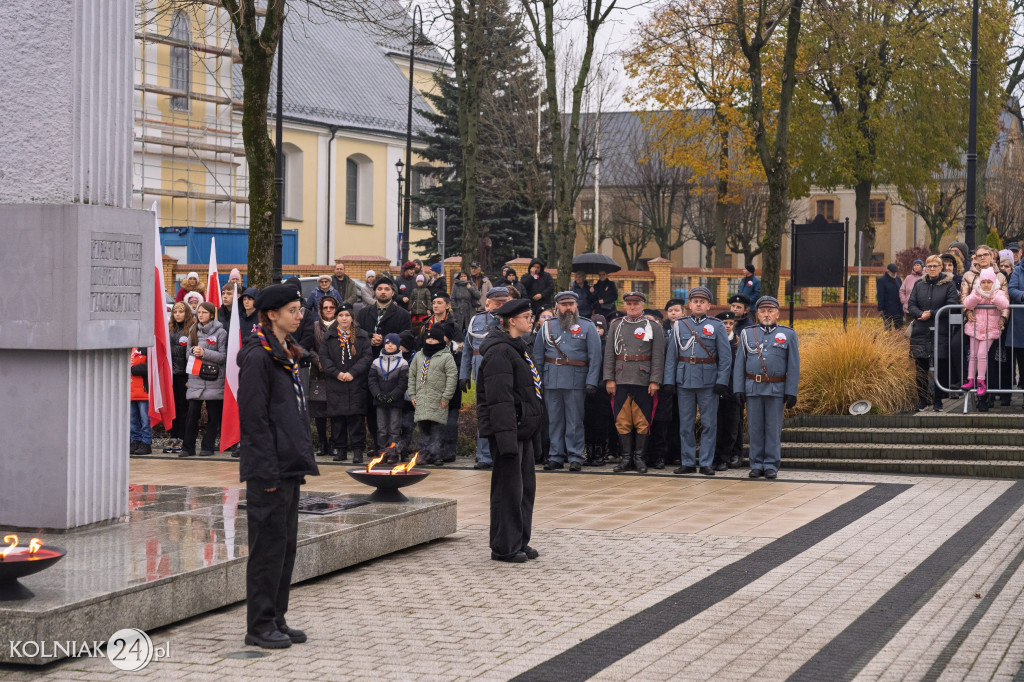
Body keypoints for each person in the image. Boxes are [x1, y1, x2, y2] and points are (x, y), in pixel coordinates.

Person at [238, 283, 319, 650]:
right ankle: (259, 625)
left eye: (300, 310)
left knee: (285, 547)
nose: (299, 316)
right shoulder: (258, 357)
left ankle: (276, 618)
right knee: (267, 549)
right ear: (271, 314)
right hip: (268, 471)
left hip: (288, 465)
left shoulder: (284, 353)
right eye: (292, 310)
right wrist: (266, 473)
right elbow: (254, 422)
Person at [476, 298, 545, 564]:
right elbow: (499, 400)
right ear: (511, 321)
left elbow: (529, 393)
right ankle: (504, 547)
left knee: (525, 490)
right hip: (509, 433)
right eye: (527, 316)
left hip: (522, 430)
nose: (531, 319)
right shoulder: (499, 353)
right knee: (508, 491)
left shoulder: (519, 347)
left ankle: (519, 540)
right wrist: (506, 442)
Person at [663, 287, 732, 476]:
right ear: (690, 305)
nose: (699, 304)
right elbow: (672, 357)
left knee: (709, 424)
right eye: (695, 301)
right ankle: (687, 462)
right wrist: (669, 381)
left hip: (708, 381)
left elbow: (725, 358)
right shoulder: (679, 325)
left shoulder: (717, 325)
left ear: (709, 305)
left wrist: (722, 381)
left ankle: (706, 462)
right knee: (686, 424)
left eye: (702, 301)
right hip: (684, 379)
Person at [532, 291, 602, 472]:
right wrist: (537, 382)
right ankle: (555, 456)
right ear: (557, 307)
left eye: (571, 304)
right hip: (551, 379)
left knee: (575, 420)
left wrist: (592, 381)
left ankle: (575, 456)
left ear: (576, 305)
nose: (568, 308)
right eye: (564, 305)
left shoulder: (587, 326)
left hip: (576, 380)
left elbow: (595, 357)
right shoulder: (547, 327)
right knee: (554, 420)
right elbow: (538, 357)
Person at [732, 296, 799, 479]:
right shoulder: (747, 333)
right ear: (757, 314)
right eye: (762, 311)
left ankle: (770, 464)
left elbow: (793, 365)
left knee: (773, 428)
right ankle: (756, 464)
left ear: (777, 313)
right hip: (753, 387)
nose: (766, 314)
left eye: (770, 311)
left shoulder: (788, 334)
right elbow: (740, 363)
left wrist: (791, 391)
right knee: (754, 428)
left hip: (776, 389)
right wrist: (739, 388)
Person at [603, 291, 666, 474]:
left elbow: (658, 355)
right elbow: (609, 354)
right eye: (629, 304)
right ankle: (625, 458)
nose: (632, 307)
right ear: (624, 306)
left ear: (642, 305)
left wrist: (655, 380)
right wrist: (609, 378)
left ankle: (639, 458)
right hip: (621, 377)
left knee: (642, 421)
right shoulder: (616, 325)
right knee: (622, 420)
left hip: (643, 379)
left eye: (636, 304)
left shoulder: (652, 326)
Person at [460, 287, 511, 469]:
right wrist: (464, 375)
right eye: (497, 302)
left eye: (504, 302)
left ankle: (503, 453)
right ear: (487, 303)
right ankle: (484, 456)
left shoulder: (512, 320)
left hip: (505, 371)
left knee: (504, 415)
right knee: (483, 415)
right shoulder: (476, 320)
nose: (500, 305)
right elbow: (467, 349)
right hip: (480, 371)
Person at [322, 303, 372, 463]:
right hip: (335, 383)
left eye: (347, 315)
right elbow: (324, 358)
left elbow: (367, 357)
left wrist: (352, 373)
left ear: (352, 318)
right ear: (337, 318)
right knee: (338, 419)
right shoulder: (329, 337)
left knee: (356, 419)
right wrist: (337, 373)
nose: (344, 318)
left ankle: (358, 450)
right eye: (341, 315)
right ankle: (340, 449)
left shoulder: (362, 336)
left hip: (356, 383)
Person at [908, 256, 960, 410]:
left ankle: (938, 400)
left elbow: (952, 305)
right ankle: (922, 400)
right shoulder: (919, 284)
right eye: (929, 266)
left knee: (941, 367)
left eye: (935, 266)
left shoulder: (948, 285)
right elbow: (911, 304)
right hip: (921, 331)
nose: (931, 269)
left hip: (940, 330)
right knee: (921, 367)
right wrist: (920, 313)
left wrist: (931, 313)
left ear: (940, 267)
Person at [181, 302, 227, 458]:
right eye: (198, 312)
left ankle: (208, 446)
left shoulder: (221, 333)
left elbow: (223, 357)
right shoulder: (193, 330)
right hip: (196, 378)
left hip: (214, 380)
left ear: (212, 315)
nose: (200, 315)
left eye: (204, 312)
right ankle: (188, 447)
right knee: (192, 415)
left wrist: (204, 353)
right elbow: (187, 354)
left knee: (213, 416)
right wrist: (194, 351)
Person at [408, 325, 458, 465]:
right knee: (423, 430)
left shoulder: (446, 357)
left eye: (433, 339)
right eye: (428, 338)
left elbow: (452, 377)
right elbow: (412, 375)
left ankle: (436, 454)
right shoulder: (419, 355)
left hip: (438, 399)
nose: (430, 341)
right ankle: (424, 454)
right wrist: (412, 394)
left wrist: (446, 397)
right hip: (421, 399)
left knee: (437, 430)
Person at [962, 268, 1009, 397]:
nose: (986, 285)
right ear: (980, 282)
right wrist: (977, 296)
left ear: (993, 283)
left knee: (982, 353)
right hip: (975, 328)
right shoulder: (976, 292)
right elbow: (966, 303)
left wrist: (993, 296)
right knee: (973, 354)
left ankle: (981, 381)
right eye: (984, 282)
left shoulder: (997, 293)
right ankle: (970, 379)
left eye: (989, 282)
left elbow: (1005, 304)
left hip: (990, 329)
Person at [308, 296, 340, 458]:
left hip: (335, 375)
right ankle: (322, 443)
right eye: (325, 307)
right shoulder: (314, 327)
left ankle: (335, 443)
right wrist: (319, 361)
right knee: (319, 411)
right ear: (320, 310)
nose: (328, 310)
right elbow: (309, 347)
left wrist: (330, 364)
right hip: (318, 374)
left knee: (334, 410)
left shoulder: (341, 325)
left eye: (331, 307)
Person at [368, 333, 410, 456]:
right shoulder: (376, 362)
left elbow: (403, 383)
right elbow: (372, 381)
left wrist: (393, 395)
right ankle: (382, 451)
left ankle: (393, 452)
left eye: (393, 343)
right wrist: (378, 395)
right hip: (380, 401)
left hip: (395, 402)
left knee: (394, 428)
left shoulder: (403, 363)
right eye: (387, 343)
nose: (390, 345)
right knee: (381, 429)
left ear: (397, 345)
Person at [712, 311, 743, 470]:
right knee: (716, 424)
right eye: (724, 323)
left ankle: (727, 456)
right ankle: (715, 457)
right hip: (716, 388)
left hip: (733, 389)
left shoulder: (738, 343)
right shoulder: (713, 341)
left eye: (731, 323)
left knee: (732, 425)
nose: (728, 326)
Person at [356, 276, 412, 357]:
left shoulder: (403, 314)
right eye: (379, 289)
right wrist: (370, 337)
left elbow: (406, 336)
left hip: (391, 359)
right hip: (366, 358)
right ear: (375, 292)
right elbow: (357, 331)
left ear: (393, 293)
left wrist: (385, 339)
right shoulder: (363, 312)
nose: (383, 292)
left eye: (387, 289)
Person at [164, 302, 194, 454]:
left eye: (181, 311)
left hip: (185, 375)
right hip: (172, 375)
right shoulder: (169, 329)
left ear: (186, 313)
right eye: (175, 311)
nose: (177, 314)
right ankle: (174, 437)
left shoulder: (191, 330)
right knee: (173, 407)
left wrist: (190, 377)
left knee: (184, 409)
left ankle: (183, 437)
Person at [129, 347, 152, 455]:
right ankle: (135, 441)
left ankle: (146, 443)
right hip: (130, 391)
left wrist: (133, 369)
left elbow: (152, 367)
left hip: (143, 391)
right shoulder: (128, 348)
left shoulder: (147, 348)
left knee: (145, 421)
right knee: (132, 421)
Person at [876, 263, 904, 330]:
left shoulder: (898, 279)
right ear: (888, 271)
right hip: (887, 309)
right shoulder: (881, 280)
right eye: (893, 272)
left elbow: (901, 291)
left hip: (898, 309)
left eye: (895, 272)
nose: (894, 274)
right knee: (888, 329)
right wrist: (880, 309)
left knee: (899, 329)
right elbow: (880, 295)